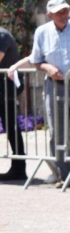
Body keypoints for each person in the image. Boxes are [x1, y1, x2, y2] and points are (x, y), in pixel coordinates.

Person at [30, 0, 70, 185]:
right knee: (58, 132)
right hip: (54, 86)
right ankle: (65, 176)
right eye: (59, 12)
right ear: (50, 15)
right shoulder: (42, 32)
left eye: (65, 11)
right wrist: (47, 68)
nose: (63, 15)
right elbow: (36, 60)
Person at [0, 28, 27, 181]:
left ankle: (19, 168)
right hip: (3, 88)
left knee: (11, 128)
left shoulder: (2, 35)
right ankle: (18, 168)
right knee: (11, 127)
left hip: (6, 89)